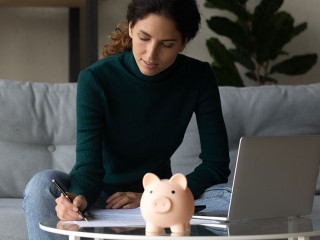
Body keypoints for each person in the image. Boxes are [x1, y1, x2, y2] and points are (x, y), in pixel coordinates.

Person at [23, 0, 231, 239]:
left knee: (232, 197)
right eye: (144, 38)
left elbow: (216, 165)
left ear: (183, 43)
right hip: (102, 197)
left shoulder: (198, 77)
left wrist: (155, 196)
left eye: (167, 44)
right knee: (41, 185)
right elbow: (88, 169)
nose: (151, 54)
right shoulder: (96, 79)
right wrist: (76, 198)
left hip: (162, 199)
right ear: (131, 29)